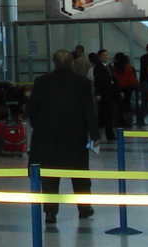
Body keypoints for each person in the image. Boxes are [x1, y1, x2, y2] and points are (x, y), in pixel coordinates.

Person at [28, 50, 98, 224]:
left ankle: (50, 212)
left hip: (47, 137)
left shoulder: (41, 82)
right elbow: (89, 110)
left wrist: (40, 126)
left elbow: (33, 110)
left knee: (50, 175)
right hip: (75, 137)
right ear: (72, 64)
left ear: (53, 63)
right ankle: (84, 208)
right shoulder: (82, 83)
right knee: (79, 174)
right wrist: (94, 134)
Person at [91, 51, 121, 142]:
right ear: (99, 57)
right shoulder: (98, 68)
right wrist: (98, 93)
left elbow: (114, 80)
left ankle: (108, 131)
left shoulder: (109, 68)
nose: (105, 57)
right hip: (104, 94)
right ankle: (107, 133)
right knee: (106, 114)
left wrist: (119, 91)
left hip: (111, 93)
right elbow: (98, 81)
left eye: (106, 55)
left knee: (109, 114)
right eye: (103, 55)